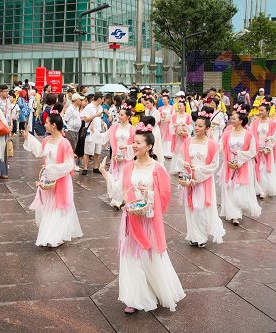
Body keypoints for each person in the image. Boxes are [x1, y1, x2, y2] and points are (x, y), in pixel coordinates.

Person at [98, 123, 185, 313]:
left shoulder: (158, 168)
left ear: (149, 146)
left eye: (138, 142)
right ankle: (135, 297)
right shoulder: (128, 167)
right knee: (130, 257)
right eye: (133, 142)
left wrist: (149, 198)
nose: (134, 145)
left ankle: (155, 289)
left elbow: (165, 196)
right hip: (131, 219)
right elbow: (117, 191)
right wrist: (104, 173)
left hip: (148, 219)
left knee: (149, 256)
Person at [22, 111, 83, 247]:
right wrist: (28, 138)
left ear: (54, 126)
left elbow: (69, 165)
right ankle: (50, 235)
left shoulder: (65, 143)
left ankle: (55, 237)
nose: (44, 124)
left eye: (47, 123)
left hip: (60, 180)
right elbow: (39, 151)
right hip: (48, 179)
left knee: (58, 208)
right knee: (47, 207)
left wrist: (52, 170)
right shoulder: (47, 140)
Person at [179, 110, 225, 247]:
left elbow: (214, 165)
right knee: (191, 208)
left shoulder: (212, 144)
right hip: (189, 179)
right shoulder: (187, 142)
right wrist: (185, 167)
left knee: (202, 208)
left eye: (200, 126)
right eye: (196, 125)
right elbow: (181, 159)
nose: (197, 128)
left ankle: (202, 236)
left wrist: (198, 173)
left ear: (207, 128)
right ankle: (194, 235)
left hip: (204, 179)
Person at [220, 111, 261, 225]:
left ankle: (239, 209)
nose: (231, 120)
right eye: (231, 118)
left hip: (243, 164)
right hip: (229, 164)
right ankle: (234, 214)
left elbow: (252, 151)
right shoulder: (227, 133)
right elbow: (221, 146)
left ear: (241, 121)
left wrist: (240, 159)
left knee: (240, 188)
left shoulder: (248, 134)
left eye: (234, 118)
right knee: (229, 187)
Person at [91, 106, 136, 209]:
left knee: (124, 179)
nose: (119, 116)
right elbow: (103, 137)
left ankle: (124, 199)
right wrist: (93, 130)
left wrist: (126, 156)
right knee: (115, 178)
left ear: (128, 116)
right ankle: (117, 199)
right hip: (116, 157)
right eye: (119, 114)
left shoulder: (133, 129)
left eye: (122, 115)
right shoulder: (114, 127)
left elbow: (135, 145)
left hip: (127, 158)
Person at [250, 104, 276, 199]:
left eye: (262, 110)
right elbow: (251, 135)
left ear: (267, 111)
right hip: (257, 149)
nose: (260, 112)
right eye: (259, 110)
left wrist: (269, 146)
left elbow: (275, 137)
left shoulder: (272, 123)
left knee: (265, 168)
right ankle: (258, 188)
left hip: (267, 149)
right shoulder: (255, 122)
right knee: (257, 168)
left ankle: (265, 189)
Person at [81, 92, 104, 175]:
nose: (103, 100)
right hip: (90, 132)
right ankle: (85, 168)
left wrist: (103, 123)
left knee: (97, 151)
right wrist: (96, 115)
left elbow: (99, 118)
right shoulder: (88, 107)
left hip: (98, 131)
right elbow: (85, 119)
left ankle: (95, 167)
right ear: (99, 99)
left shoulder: (100, 107)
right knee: (87, 150)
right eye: (102, 98)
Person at [169, 99, 192, 175]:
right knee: (177, 151)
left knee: (184, 150)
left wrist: (185, 129)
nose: (179, 107)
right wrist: (175, 128)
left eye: (180, 106)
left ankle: (183, 167)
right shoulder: (174, 116)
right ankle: (176, 167)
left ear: (184, 107)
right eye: (178, 106)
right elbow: (171, 125)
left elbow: (190, 126)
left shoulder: (188, 116)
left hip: (185, 136)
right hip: (177, 136)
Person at [63, 93, 84, 169]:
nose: (81, 101)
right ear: (76, 100)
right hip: (71, 131)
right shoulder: (70, 109)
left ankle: (71, 164)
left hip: (75, 131)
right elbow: (65, 120)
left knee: (73, 148)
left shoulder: (76, 108)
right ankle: (72, 165)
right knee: (71, 148)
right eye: (80, 99)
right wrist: (67, 129)